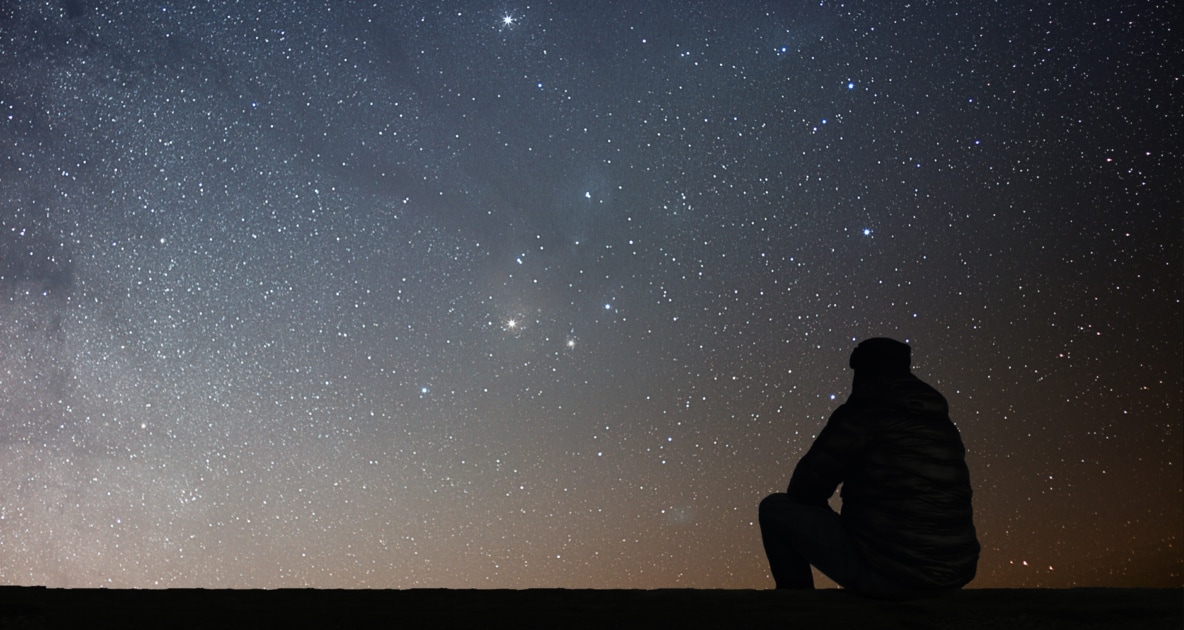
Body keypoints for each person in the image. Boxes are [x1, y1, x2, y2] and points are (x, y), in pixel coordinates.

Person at [759, 338, 979, 599]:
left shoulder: (862, 413)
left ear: (862, 368)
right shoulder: (940, 422)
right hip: (952, 573)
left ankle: (796, 605)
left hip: (893, 575)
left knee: (775, 509)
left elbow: (804, 488)